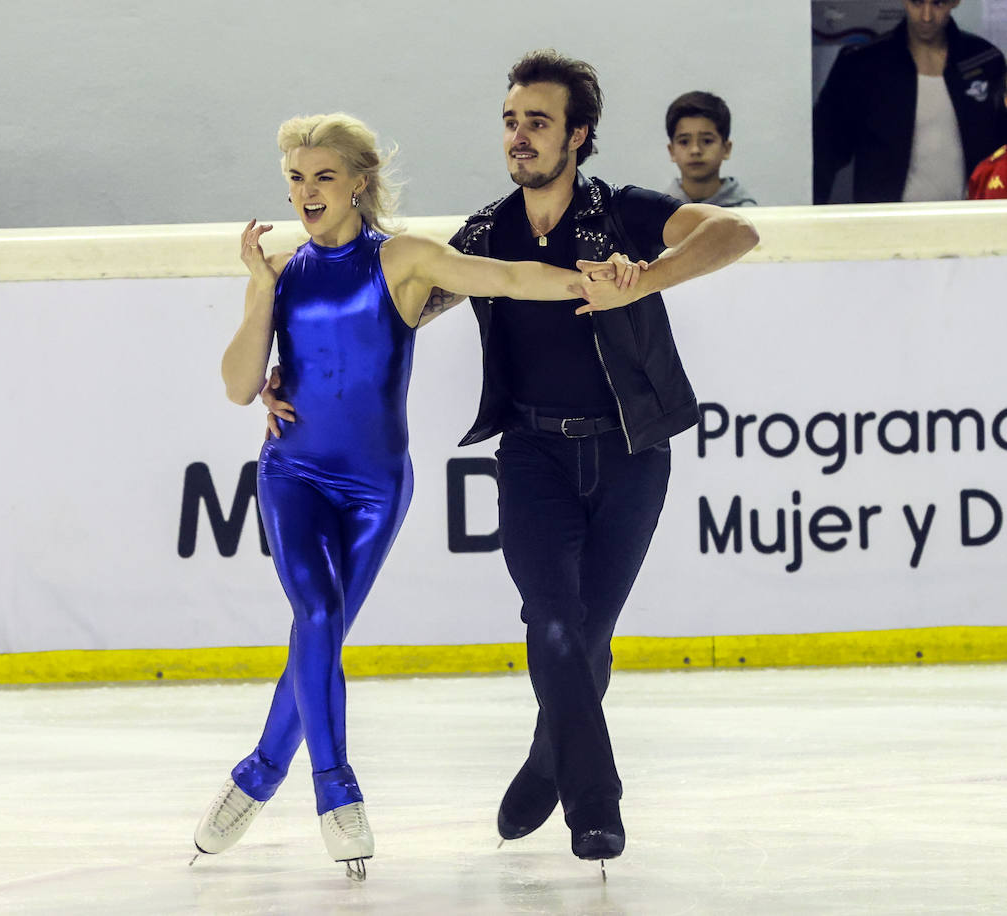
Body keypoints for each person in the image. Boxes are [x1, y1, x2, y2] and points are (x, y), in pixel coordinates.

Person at [263, 50, 758, 870]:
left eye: (538, 122)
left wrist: (645, 281)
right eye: (510, 121)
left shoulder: (621, 213)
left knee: (588, 637)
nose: (519, 136)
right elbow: (401, 305)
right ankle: (596, 806)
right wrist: (296, 364)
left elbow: (734, 231)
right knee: (553, 623)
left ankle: (544, 761)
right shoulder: (488, 230)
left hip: (634, 450)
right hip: (532, 452)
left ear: (578, 135)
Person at [193, 112, 643, 880]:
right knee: (318, 616)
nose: (306, 192)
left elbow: (501, 278)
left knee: (320, 636)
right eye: (296, 178)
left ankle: (260, 770)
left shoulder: (399, 259)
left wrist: (587, 282)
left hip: (375, 490)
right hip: (291, 472)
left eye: (323, 177)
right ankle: (336, 791)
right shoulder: (283, 269)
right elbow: (240, 387)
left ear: (359, 184)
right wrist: (261, 288)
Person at [812, 0, 1007, 204]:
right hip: (886, 220)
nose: (926, 16)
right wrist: (810, 219)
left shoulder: (984, 60)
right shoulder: (863, 65)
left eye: (938, 4)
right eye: (917, 2)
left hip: (971, 217)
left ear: (955, 2)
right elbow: (824, 150)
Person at [662, 91, 756, 207]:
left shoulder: (747, 214)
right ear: (671, 151)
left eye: (707, 141)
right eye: (684, 142)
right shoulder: (657, 214)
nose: (695, 150)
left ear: (726, 149)